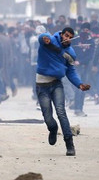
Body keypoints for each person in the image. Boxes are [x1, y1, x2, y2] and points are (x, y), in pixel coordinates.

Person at [36, 26, 90, 157]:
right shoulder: (49, 40)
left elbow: (71, 71)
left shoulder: (70, 53)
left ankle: (69, 144)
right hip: (42, 84)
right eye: (66, 35)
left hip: (56, 84)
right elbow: (42, 38)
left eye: (70, 37)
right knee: (48, 116)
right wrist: (45, 39)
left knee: (61, 112)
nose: (67, 39)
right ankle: (53, 129)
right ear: (61, 34)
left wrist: (79, 84)